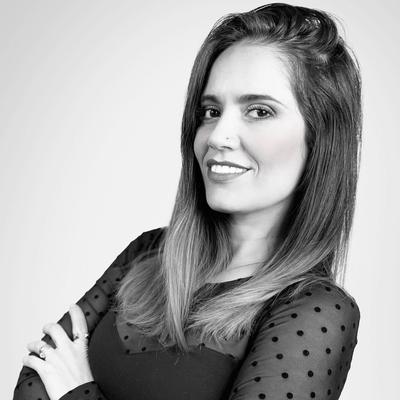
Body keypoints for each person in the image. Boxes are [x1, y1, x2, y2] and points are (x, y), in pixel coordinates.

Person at [13, 3, 362, 400]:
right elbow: (34, 384)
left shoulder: (318, 309)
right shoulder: (148, 254)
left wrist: (78, 390)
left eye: (259, 111)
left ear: (320, 139)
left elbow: (57, 387)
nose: (217, 136)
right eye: (211, 111)